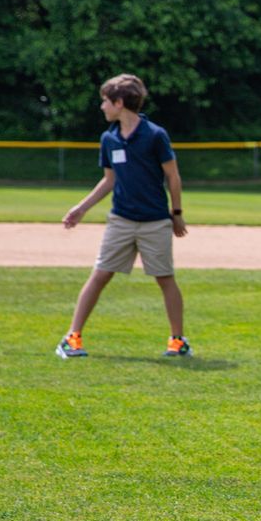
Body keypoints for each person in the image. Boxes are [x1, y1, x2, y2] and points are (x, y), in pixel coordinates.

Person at [56, 73, 191, 358]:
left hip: (155, 220)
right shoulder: (110, 139)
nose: (102, 107)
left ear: (119, 102)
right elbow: (109, 180)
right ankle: (72, 338)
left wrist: (176, 213)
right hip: (121, 220)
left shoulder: (155, 135)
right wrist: (81, 208)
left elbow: (173, 176)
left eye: (105, 101)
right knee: (100, 275)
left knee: (165, 278)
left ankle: (177, 341)